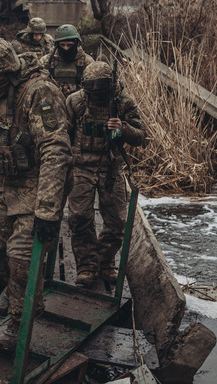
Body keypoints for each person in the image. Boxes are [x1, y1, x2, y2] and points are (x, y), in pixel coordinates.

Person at [0, 37, 72, 348]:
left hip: (36, 184)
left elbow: (55, 151)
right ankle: (17, 288)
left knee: (21, 261)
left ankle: (17, 327)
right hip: (2, 182)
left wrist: (48, 209)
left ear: (7, 71)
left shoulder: (38, 92)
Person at [65, 60, 146, 288]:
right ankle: (86, 266)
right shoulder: (75, 102)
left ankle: (104, 260)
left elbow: (141, 136)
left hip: (111, 168)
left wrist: (122, 129)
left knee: (117, 222)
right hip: (81, 167)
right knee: (79, 217)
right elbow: (63, 133)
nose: (96, 96)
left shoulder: (124, 102)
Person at [41, 24, 94, 97]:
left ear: (76, 44)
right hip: (53, 100)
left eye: (69, 45)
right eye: (62, 45)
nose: (66, 48)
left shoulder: (87, 61)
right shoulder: (47, 61)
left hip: (79, 102)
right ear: (57, 45)